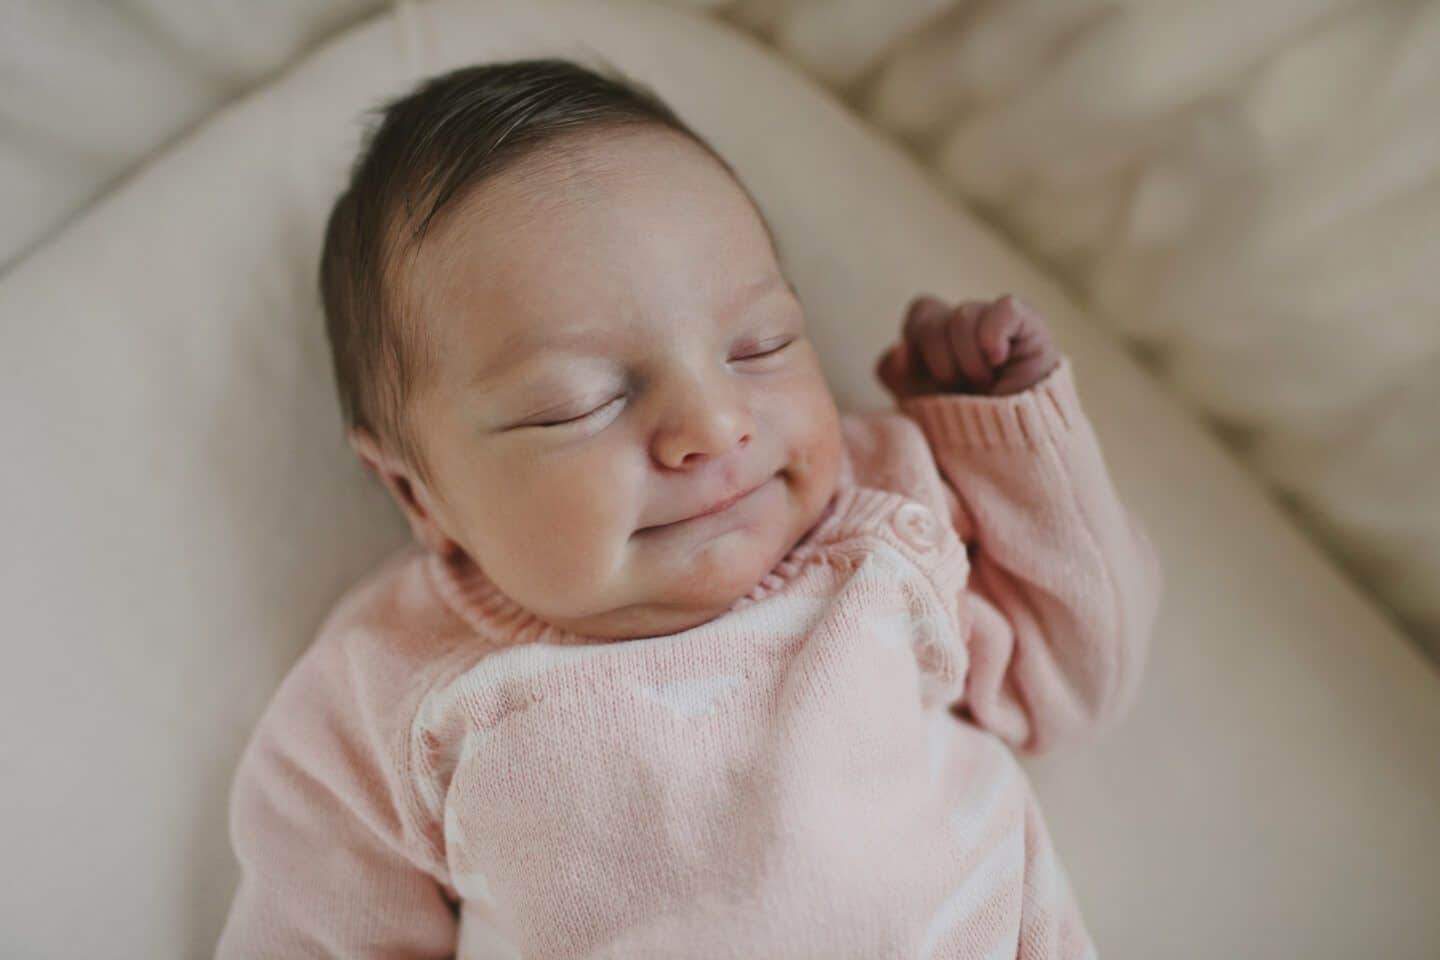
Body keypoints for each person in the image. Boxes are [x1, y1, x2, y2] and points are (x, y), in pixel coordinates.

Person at [215, 57, 1163, 959]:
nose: (712, 425)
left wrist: (1006, 444)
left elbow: (1071, 683)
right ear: (418, 495)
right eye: (581, 403)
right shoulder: (393, 695)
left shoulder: (881, 519)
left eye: (761, 344)